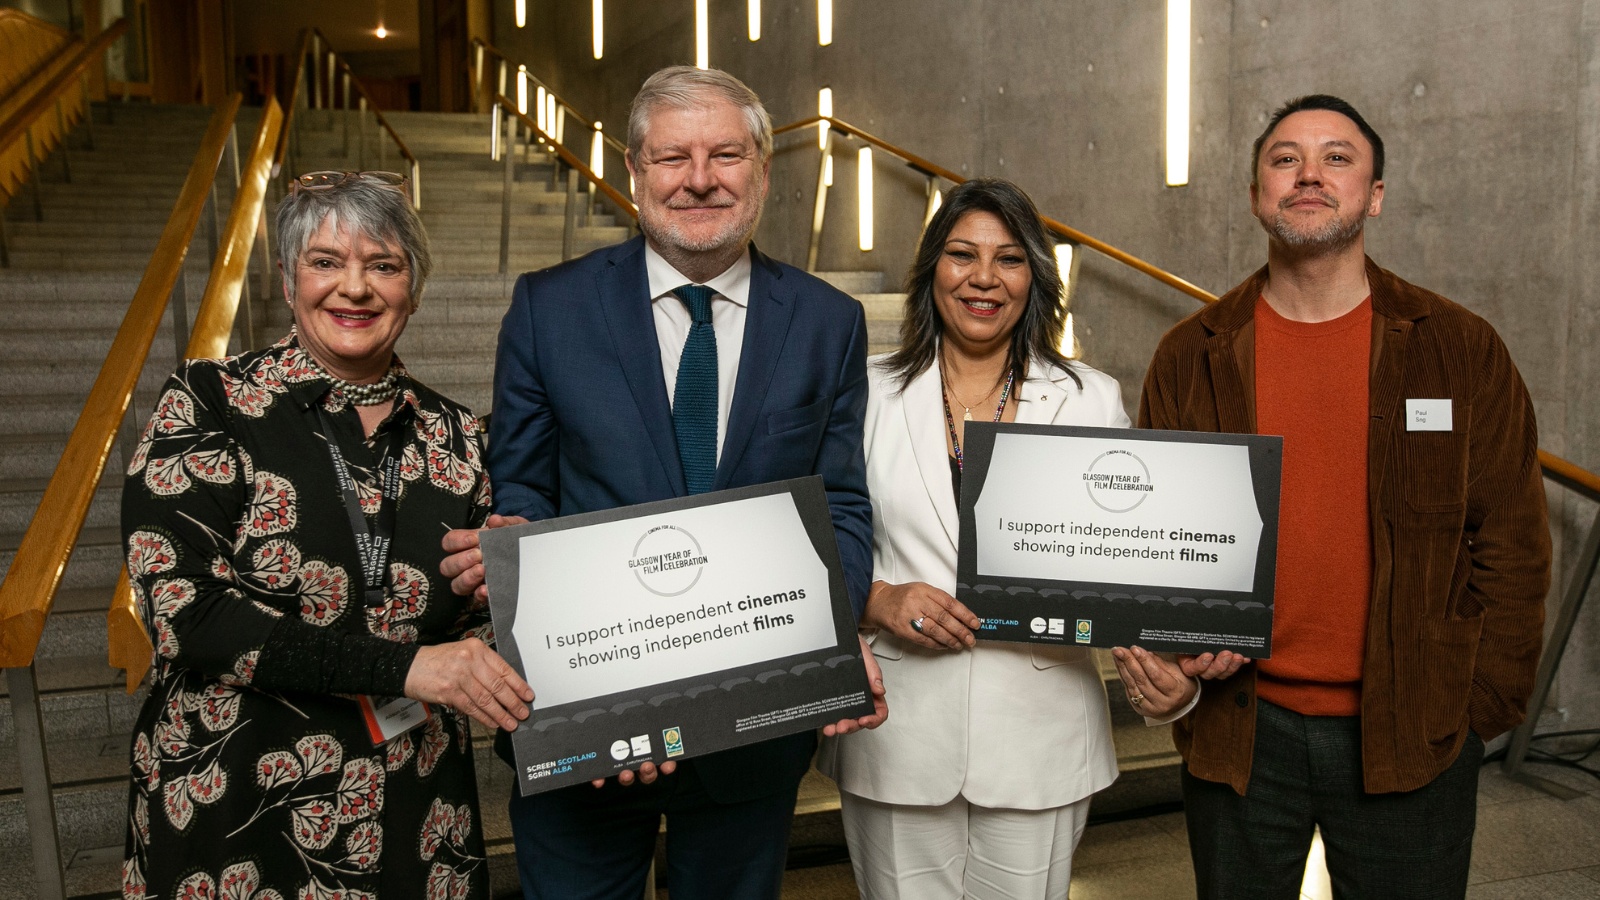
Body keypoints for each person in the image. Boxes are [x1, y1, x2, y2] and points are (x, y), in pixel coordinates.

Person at [438, 66, 885, 900]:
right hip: (584, 723)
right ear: (636, 170)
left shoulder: (829, 321)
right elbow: (524, 490)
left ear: (761, 167)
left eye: (726, 154)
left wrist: (830, 628)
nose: (700, 178)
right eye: (672, 156)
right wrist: (515, 543)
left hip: (754, 725)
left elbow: (843, 502)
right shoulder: (549, 308)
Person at [1118, 94, 1551, 899]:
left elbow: (1513, 547)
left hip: (1410, 731)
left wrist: (1475, 715)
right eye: (1285, 159)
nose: (1309, 174)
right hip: (1240, 734)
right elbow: (1153, 544)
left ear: (1375, 194)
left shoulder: (1458, 350)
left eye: (1337, 158)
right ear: (1256, 195)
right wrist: (1173, 659)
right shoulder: (1191, 356)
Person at [119, 170, 534, 900]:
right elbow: (185, 614)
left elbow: (475, 637)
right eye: (325, 262)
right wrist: (406, 669)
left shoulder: (458, 437)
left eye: (384, 265)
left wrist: (514, 581)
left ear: (414, 285)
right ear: (287, 280)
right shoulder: (210, 404)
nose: (355, 288)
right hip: (240, 795)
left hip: (411, 797)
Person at [814, 178, 1125, 898]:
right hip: (896, 728)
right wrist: (878, 598)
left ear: (1036, 278)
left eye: (1009, 259)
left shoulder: (1091, 399)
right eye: (962, 254)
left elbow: (1115, 564)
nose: (983, 278)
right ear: (932, 272)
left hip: (1040, 728)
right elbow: (820, 537)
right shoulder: (865, 395)